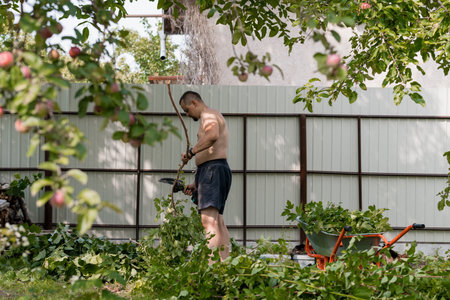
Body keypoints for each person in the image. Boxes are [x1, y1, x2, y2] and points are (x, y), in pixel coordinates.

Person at [179, 91, 232, 262]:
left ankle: (212, 267)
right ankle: (224, 265)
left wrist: (191, 151)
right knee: (219, 222)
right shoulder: (212, 115)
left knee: (209, 222)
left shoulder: (208, 114)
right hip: (215, 170)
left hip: (212, 171)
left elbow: (212, 136)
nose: (187, 115)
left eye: (187, 110)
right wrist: (197, 182)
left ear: (194, 102)